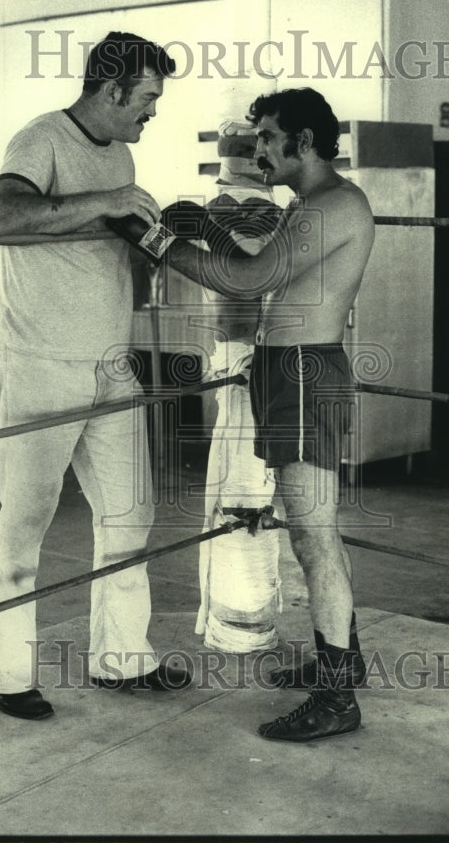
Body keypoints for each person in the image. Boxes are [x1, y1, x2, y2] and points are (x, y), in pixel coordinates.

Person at [109, 88, 375, 742]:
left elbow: (247, 282)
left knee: (312, 536)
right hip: (288, 371)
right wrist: (199, 230)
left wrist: (154, 238)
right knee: (312, 531)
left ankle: (336, 696)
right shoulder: (309, 205)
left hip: (304, 373)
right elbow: (257, 272)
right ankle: (344, 659)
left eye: (267, 138)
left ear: (303, 142)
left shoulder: (330, 207)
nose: (256, 150)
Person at [0, 31, 191, 722]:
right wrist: (106, 202)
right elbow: (3, 217)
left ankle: (123, 659)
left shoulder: (119, 155)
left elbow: (107, 248)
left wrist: (150, 244)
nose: (151, 113)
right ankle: (3, 675)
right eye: (147, 98)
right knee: (26, 521)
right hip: (39, 364)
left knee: (130, 512)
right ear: (111, 89)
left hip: (109, 365)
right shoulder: (39, 139)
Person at [194, 120, 285, 654]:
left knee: (241, 490)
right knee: (245, 485)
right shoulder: (263, 210)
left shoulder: (235, 212)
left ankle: (239, 629)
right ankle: (242, 621)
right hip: (250, 359)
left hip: (245, 360)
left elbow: (245, 272)